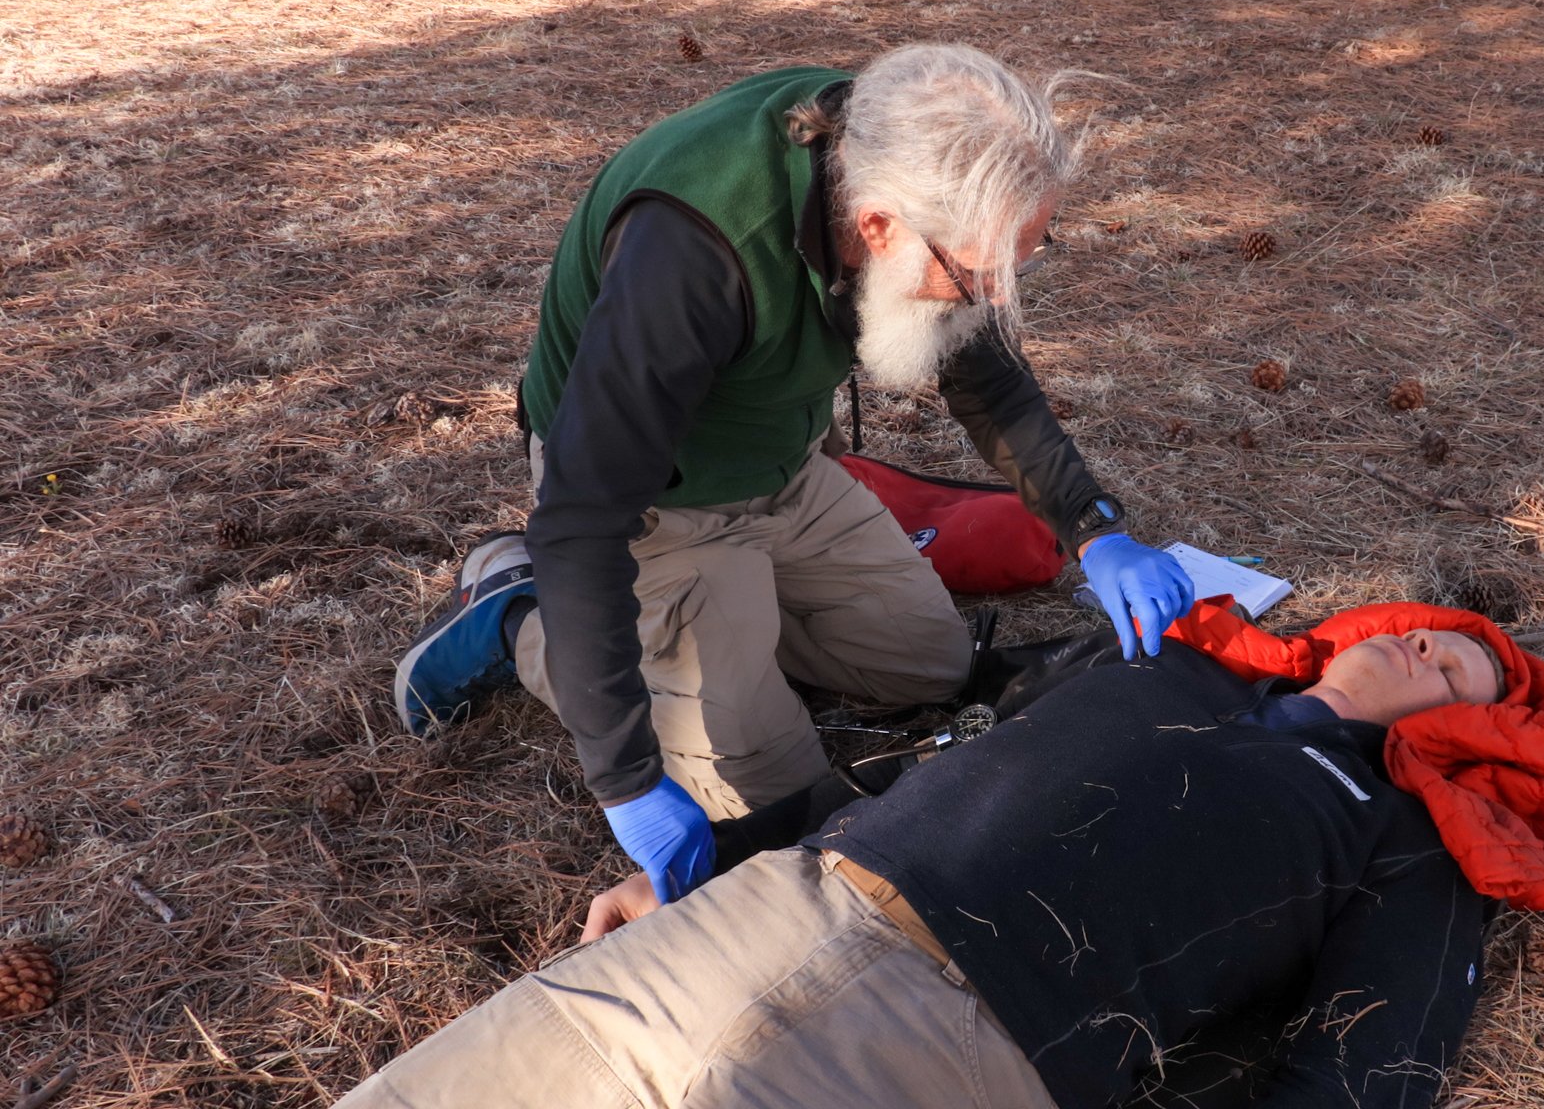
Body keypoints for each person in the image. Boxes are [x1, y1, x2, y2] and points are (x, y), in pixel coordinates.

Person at [389, 45, 1196, 906]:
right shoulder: (692, 250)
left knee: (931, 667)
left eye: (1023, 257)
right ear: (880, 226)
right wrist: (623, 777)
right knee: (771, 788)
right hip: (653, 500)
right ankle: (519, 617)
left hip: (785, 459)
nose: (996, 296)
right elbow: (586, 513)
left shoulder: (895, 151)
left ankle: (730, 624)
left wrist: (1095, 530)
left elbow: (986, 373)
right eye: (977, 272)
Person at [342, 602, 1544, 1109]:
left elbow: (1371, 1056)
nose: (1424, 649)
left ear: (1476, 728)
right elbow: (925, 762)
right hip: (781, 904)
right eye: (1424, 630)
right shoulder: (1163, 663)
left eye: (1459, 669)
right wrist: (690, 865)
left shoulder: (1410, 828)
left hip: (962, 1026)